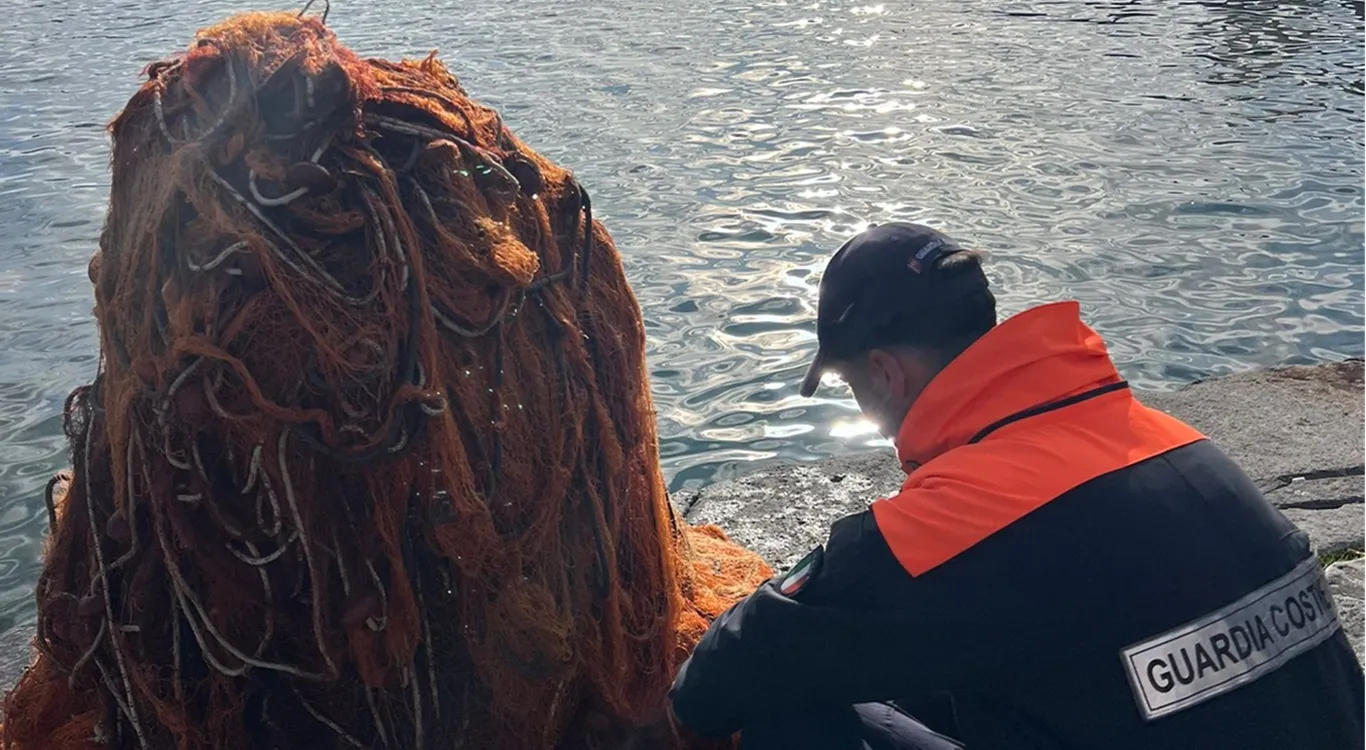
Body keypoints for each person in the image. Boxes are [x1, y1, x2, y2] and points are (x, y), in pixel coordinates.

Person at [665, 222, 1365, 749]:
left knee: (785, 708)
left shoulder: (966, 516)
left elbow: (734, 669)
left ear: (884, 372)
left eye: (852, 386)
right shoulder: (1171, 441)